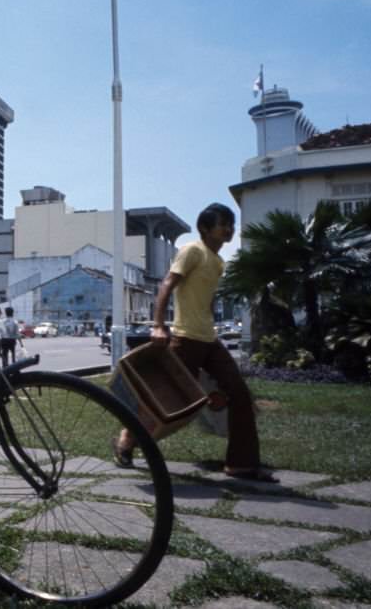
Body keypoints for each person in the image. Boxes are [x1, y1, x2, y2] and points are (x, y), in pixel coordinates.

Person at [113, 203, 277, 483]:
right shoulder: (192, 250)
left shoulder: (217, 262)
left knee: (238, 393)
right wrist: (159, 325)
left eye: (231, 224)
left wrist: (210, 319)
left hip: (209, 339)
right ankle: (127, 440)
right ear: (205, 228)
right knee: (166, 400)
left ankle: (241, 464)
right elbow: (167, 284)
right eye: (223, 223)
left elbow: (208, 297)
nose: (229, 229)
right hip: (185, 338)